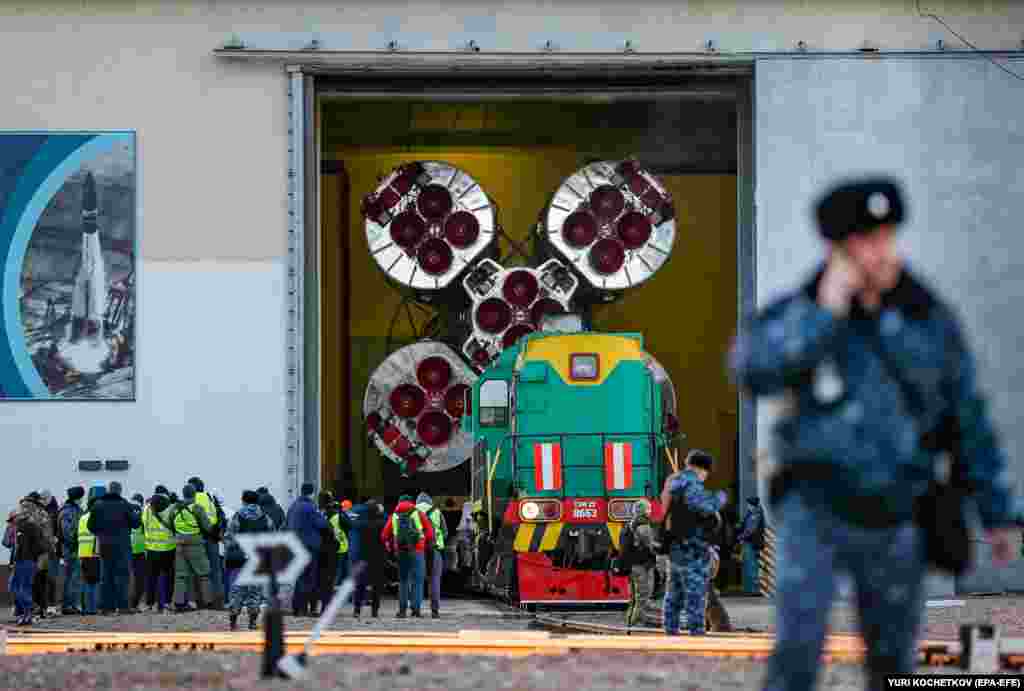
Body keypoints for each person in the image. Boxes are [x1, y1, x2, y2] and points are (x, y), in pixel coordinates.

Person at [729, 177, 1018, 691]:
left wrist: (995, 513)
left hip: (895, 509)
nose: (878, 252)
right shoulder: (799, 311)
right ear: (837, 249)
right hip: (813, 505)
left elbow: (966, 415)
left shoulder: (926, 318)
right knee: (798, 645)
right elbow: (753, 370)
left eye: (885, 237)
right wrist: (825, 312)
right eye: (864, 241)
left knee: (891, 658)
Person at [659, 450, 728, 636]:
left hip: (675, 548)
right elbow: (704, 507)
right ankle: (696, 635)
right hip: (693, 549)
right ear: (702, 469)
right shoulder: (691, 484)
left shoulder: (672, 483)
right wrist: (719, 498)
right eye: (706, 473)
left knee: (674, 594)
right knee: (695, 595)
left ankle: (670, 632)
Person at [88, 481, 141, 615]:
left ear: (108, 490)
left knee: (106, 577)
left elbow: (91, 526)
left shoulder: (97, 505)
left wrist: (102, 533)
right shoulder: (125, 505)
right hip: (122, 546)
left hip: (105, 546)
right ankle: (123, 607)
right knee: (122, 576)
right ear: (120, 491)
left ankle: (106, 608)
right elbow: (136, 524)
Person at [223, 490, 272, 630]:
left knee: (237, 590)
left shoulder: (238, 516)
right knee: (255, 592)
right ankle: (252, 621)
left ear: (243, 500)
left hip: (240, 558)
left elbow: (230, 537)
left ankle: (233, 621)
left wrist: (229, 550)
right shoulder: (265, 517)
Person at [380, 494, 435, 618]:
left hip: (400, 552)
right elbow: (430, 533)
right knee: (418, 581)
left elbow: (383, 535)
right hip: (417, 551)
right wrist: (424, 542)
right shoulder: (418, 514)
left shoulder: (394, 515)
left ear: (399, 503)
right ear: (412, 502)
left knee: (403, 581)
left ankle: (402, 610)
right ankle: (416, 610)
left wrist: (390, 545)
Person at [165, 483, 212, 611]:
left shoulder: (174, 508)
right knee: (204, 574)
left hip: (180, 544)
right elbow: (207, 527)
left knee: (181, 575)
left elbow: (169, 524)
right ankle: (207, 602)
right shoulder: (197, 508)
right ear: (194, 494)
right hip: (196, 543)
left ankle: (179, 603)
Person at [285, 483, 329, 617]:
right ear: (312, 493)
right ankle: (306, 608)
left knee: (299, 577)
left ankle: (297, 607)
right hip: (309, 546)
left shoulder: (293, 506)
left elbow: (287, 523)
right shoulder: (311, 507)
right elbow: (322, 524)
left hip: (295, 545)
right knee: (309, 577)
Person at [187, 477, 224, 609]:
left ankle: (201, 602)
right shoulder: (209, 498)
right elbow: (216, 517)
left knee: (198, 572)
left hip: (199, 538)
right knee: (215, 570)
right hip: (212, 538)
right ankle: (218, 602)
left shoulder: (193, 500)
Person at [619, 501, 657, 627]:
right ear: (643, 511)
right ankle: (632, 624)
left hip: (633, 565)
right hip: (640, 565)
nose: (650, 511)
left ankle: (634, 621)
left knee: (635, 596)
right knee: (642, 595)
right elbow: (650, 545)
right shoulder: (642, 526)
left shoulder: (629, 524)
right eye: (648, 509)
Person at [6, 508, 46, 626]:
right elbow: (40, 546)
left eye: (12, 520)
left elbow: (21, 547)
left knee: (18, 587)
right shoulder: (30, 526)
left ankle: (29, 610)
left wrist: (16, 561)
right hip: (27, 561)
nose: (12, 523)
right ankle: (27, 613)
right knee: (22, 587)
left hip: (24, 561)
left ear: (18, 517)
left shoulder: (24, 527)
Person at [352, 500, 388, 619]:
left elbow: (352, 523)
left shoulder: (362, 524)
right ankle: (374, 611)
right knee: (376, 586)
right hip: (378, 557)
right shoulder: (381, 523)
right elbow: (387, 521)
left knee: (360, 585)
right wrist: (382, 512)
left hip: (363, 557)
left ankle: (357, 610)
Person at [142, 489, 175, 613]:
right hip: (168, 548)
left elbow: (144, 524)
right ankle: (167, 603)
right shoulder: (170, 508)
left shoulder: (147, 509)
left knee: (151, 577)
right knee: (168, 577)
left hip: (151, 548)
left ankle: (150, 604)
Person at [415, 493, 447, 619]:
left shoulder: (413, 512)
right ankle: (435, 611)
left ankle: (415, 609)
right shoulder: (437, 512)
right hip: (434, 550)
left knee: (417, 580)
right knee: (434, 580)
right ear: (430, 501)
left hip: (418, 550)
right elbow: (445, 532)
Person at [58, 486, 85, 615]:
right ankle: (69, 605)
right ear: (77, 498)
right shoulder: (68, 511)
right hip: (71, 549)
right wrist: (74, 544)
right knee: (72, 578)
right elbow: (67, 532)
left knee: (73, 578)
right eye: (81, 498)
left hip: (74, 548)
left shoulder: (76, 510)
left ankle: (71, 604)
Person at [315, 491, 340, 616]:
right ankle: (326, 608)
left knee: (320, 580)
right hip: (330, 551)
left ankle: (317, 607)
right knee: (329, 582)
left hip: (319, 551)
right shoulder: (334, 514)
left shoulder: (317, 513)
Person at [329, 496, 353, 590]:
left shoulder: (329, 516)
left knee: (336, 569)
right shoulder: (340, 516)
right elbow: (350, 526)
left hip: (333, 545)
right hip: (342, 545)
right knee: (342, 569)